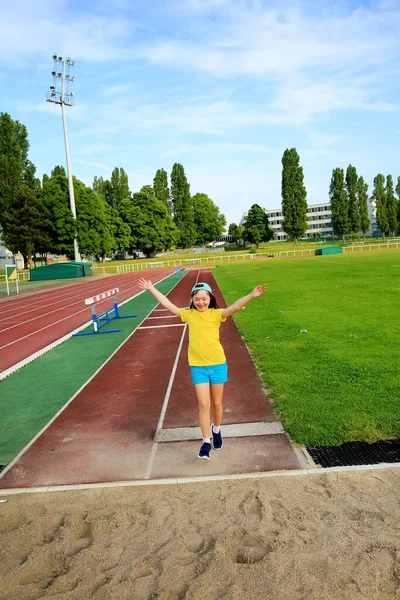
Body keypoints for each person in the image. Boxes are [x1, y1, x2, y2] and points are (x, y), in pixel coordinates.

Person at [137, 278, 266, 460]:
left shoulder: (216, 314)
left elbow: (235, 306)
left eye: (204, 298)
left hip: (218, 364)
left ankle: (217, 430)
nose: (200, 302)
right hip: (198, 367)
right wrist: (151, 288)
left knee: (217, 404)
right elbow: (167, 304)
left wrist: (252, 295)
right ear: (192, 299)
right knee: (204, 405)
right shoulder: (189, 315)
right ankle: (206, 441)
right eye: (197, 299)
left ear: (210, 298)